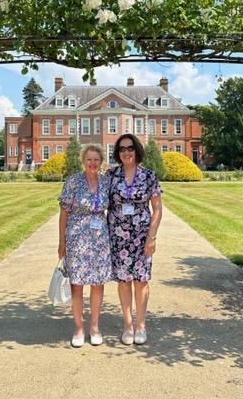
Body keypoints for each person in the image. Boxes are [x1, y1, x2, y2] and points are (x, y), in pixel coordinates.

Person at [106, 133, 162, 345]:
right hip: (118, 236)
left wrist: (151, 237)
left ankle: (141, 325)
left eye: (130, 148)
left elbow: (157, 209)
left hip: (141, 236)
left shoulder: (149, 175)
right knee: (123, 281)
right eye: (122, 149)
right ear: (117, 153)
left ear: (136, 150)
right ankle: (128, 325)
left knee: (141, 280)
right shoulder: (111, 175)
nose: (126, 152)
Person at [58, 144, 113, 348]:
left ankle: (94, 327)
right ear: (83, 160)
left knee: (98, 282)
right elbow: (64, 213)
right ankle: (79, 328)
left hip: (99, 237)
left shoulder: (106, 181)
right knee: (77, 284)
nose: (92, 163)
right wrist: (62, 241)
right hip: (77, 236)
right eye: (89, 159)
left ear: (101, 162)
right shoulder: (72, 181)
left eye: (96, 160)